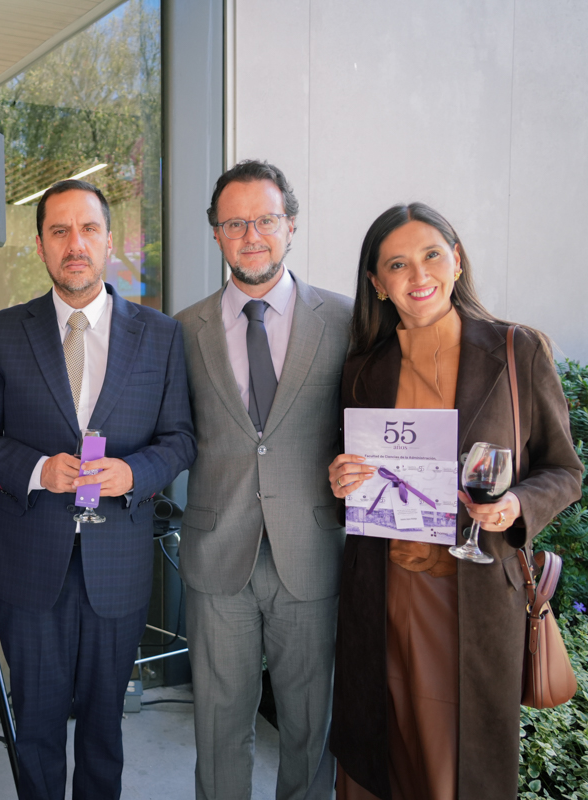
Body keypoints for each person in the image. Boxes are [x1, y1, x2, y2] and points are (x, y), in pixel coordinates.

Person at [327, 203, 583, 799]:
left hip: (473, 594)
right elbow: (346, 475)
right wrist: (338, 478)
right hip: (384, 595)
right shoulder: (363, 367)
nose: (418, 275)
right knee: (382, 754)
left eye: (432, 255)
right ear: (377, 283)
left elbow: (565, 471)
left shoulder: (517, 350)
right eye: (397, 264)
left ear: (457, 260)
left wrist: (517, 505)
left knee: (457, 767)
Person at [0, 179, 196, 800]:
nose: (75, 244)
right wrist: (38, 469)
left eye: (88, 229)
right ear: (40, 246)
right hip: (31, 564)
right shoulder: (5, 332)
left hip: (118, 565)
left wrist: (134, 474)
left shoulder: (161, 335)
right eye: (59, 231)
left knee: (102, 727)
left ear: (110, 241)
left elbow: (180, 439)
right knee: (35, 726)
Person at [173, 159, 351, 800]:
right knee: (219, 728)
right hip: (217, 553)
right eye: (235, 223)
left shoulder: (347, 320)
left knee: (310, 727)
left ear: (291, 225)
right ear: (216, 233)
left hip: (312, 551)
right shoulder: (181, 331)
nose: (252, 235)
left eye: (266, 220)